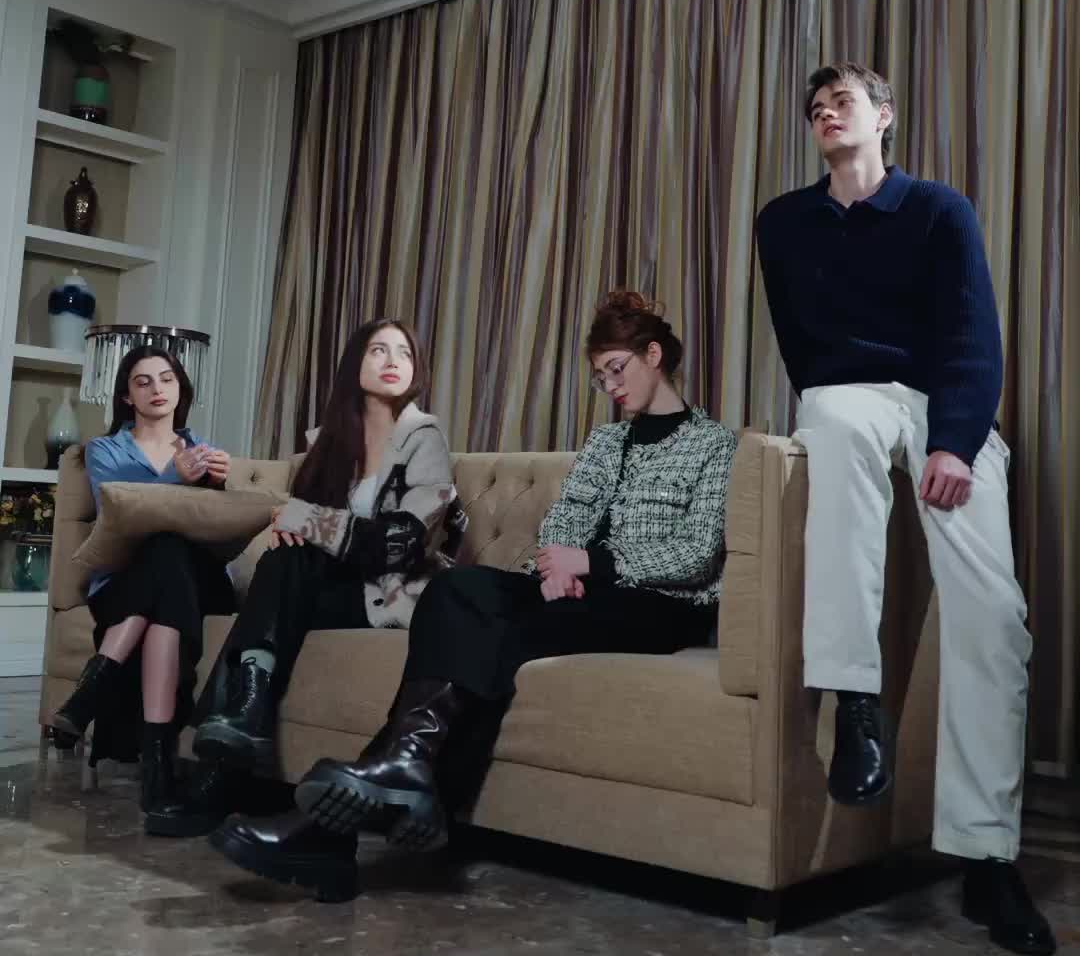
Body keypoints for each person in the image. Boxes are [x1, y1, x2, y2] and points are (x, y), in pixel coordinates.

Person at [216, 291, 738, 898]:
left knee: (488, 640)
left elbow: (697, 553)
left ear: (653, 355)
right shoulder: (606, 442)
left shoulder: (714, 444)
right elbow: (564, 521)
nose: (610, 386)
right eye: (600, 377)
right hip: (574, 591)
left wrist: (593, 562)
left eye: (617, 369)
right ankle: (404, 772)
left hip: (656, 606)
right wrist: (556, 567)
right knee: (457, 590)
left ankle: (333, 833)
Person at [755, 61, 1054, 956]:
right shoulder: (783, 222)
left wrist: (954, 441)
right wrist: (832, 394)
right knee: (836, 425)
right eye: (815, 107)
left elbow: (973, 336)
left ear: (884, 115)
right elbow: (800, 343)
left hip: (938, 403)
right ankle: (855, 702)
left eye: (842, 100)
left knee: (994, 618)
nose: (826, 113)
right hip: (844, 392)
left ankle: (987, 857)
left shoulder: (938, 211)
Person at [201, 319, 461, 900]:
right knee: (284, 563)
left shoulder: (424, 438)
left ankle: (228, 752)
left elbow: (400, 544)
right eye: (378, 350)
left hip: (390, 593)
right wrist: (296, 527)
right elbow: (310, 533)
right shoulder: (329, 444)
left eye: (404, 352)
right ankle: (242, 721)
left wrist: (304, 521)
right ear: (354, 364)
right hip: (335, 588)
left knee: (288, 567)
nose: (392, 360)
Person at [51, 345, 233, 837]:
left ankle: (94, 685)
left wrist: (219, 485)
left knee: (171, 551)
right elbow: (126, 512)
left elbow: (214, 527)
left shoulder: (202, 447)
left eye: (166, 379)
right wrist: (178, 476)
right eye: (143, 381)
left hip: (198, 581)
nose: (157, 389)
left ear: (180, 389)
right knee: (162, 552)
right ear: (127, 396)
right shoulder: (105, 450)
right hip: (125, 580)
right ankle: (157, 767)